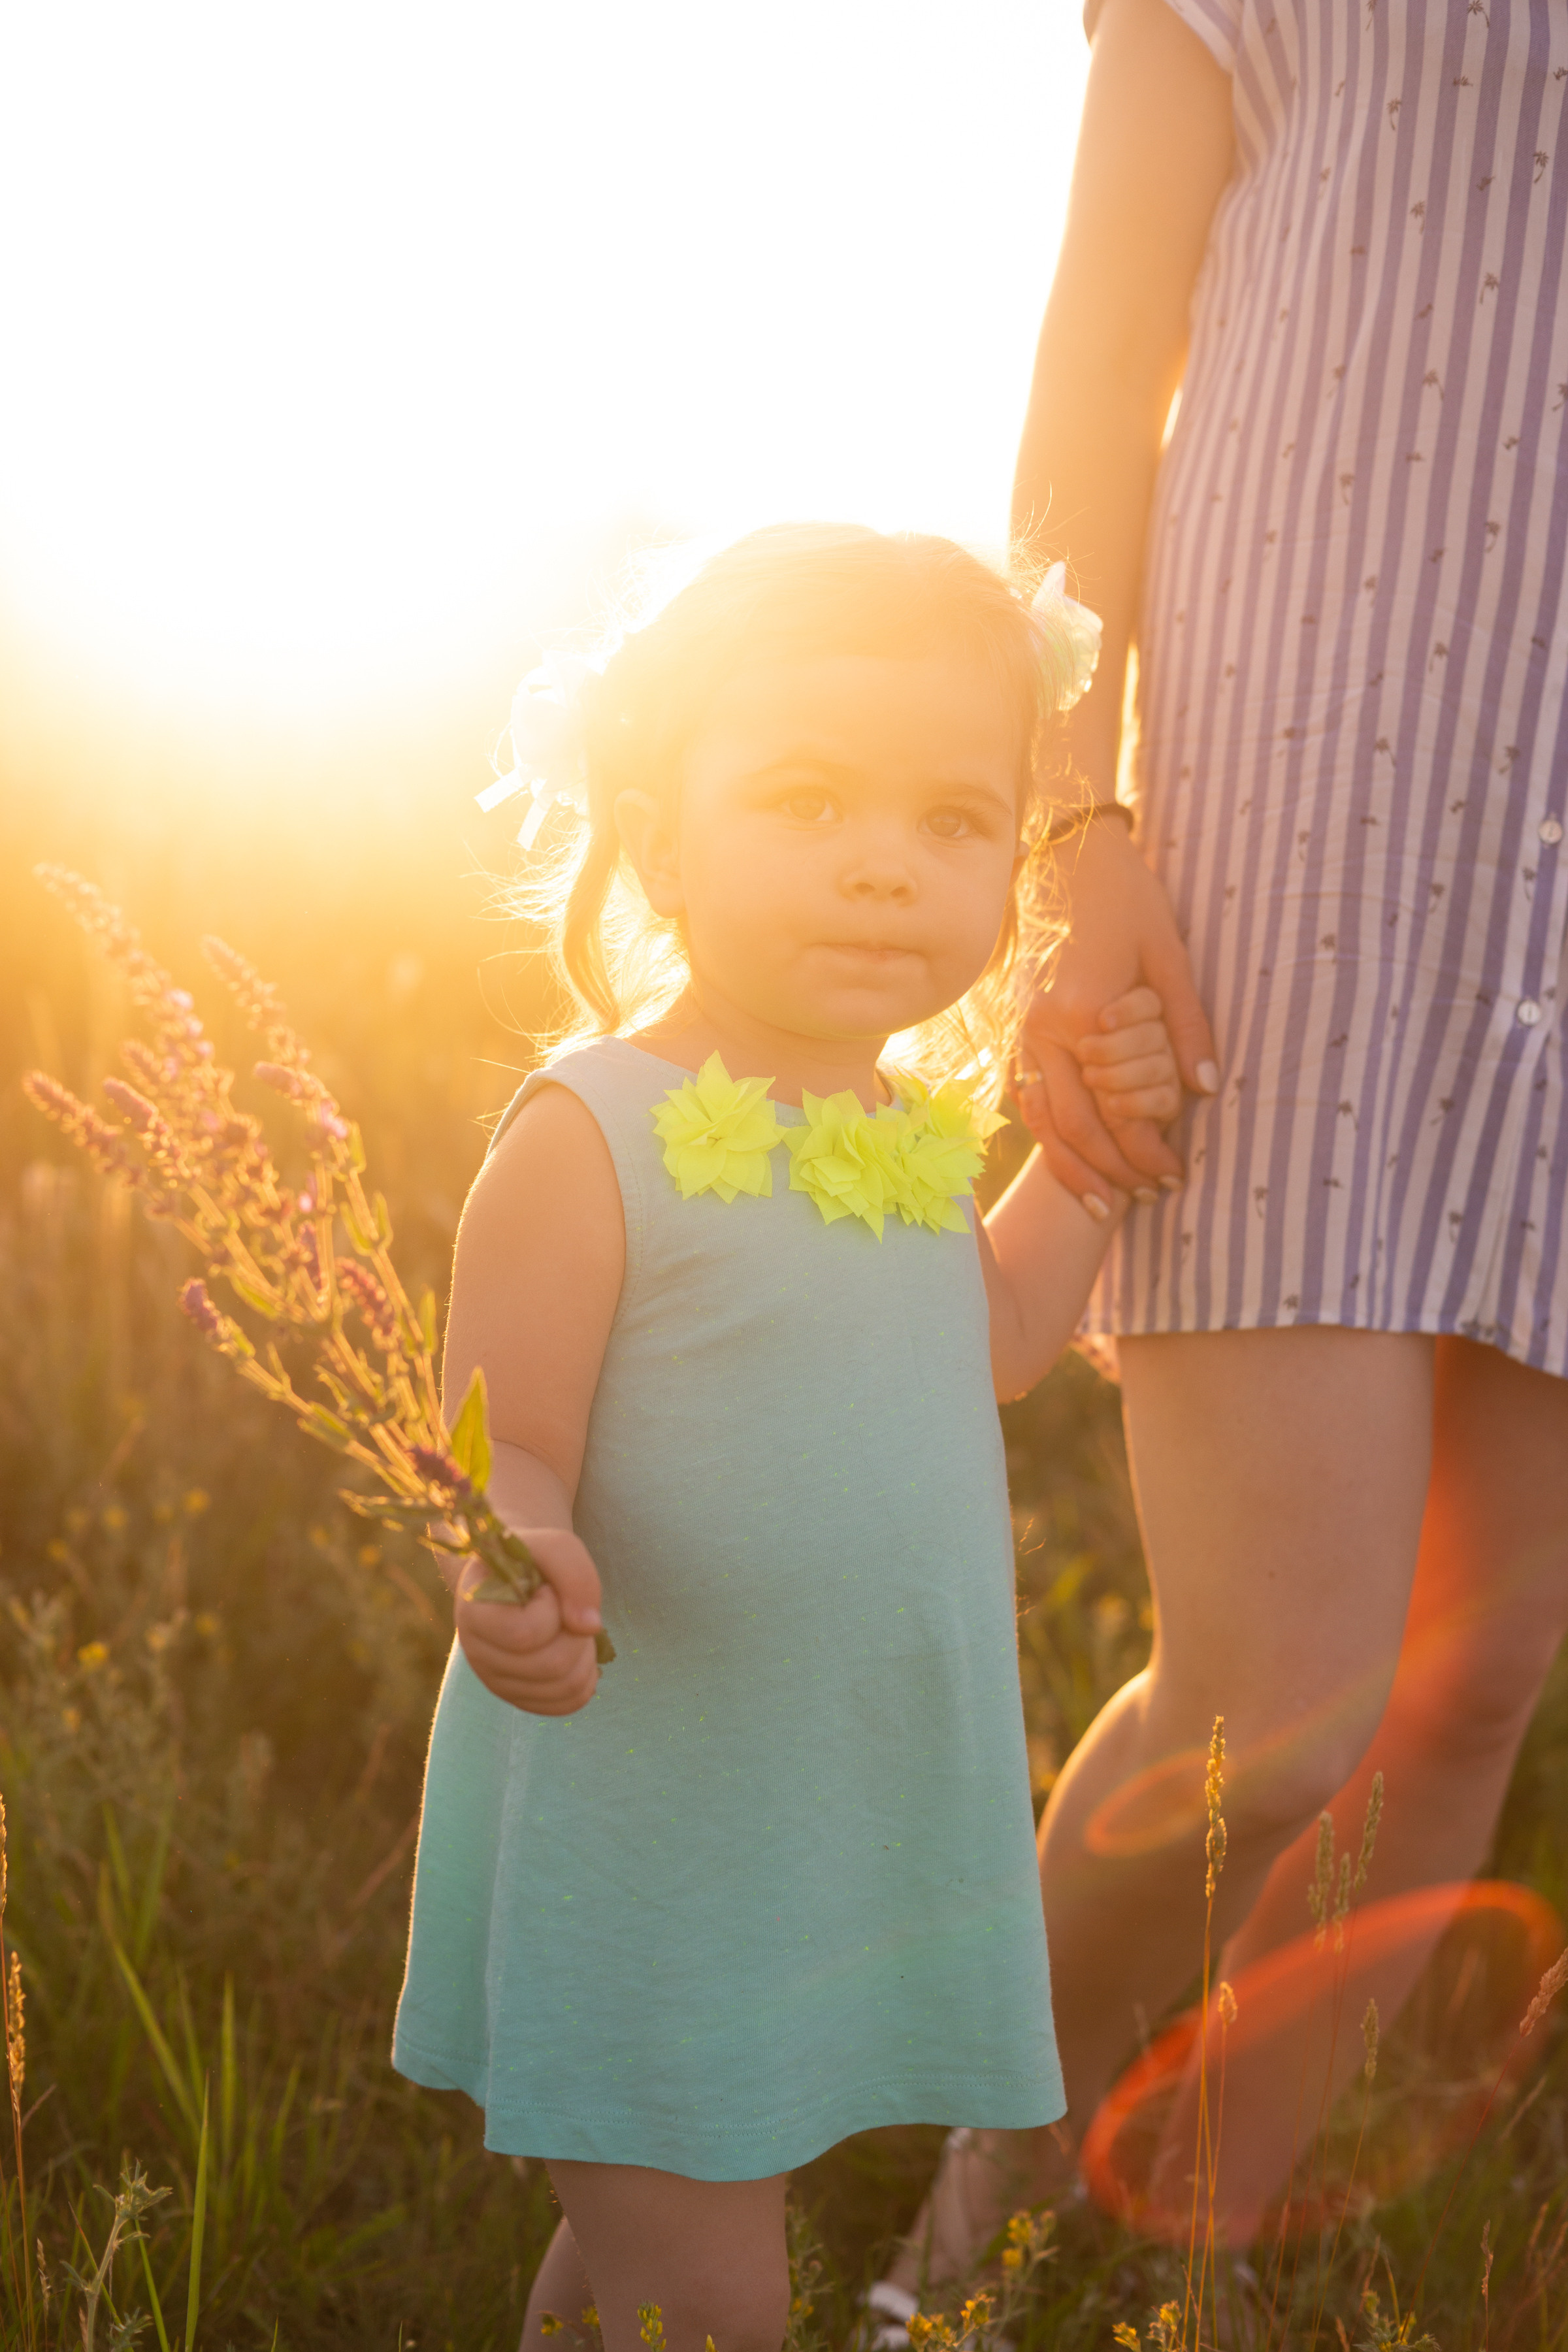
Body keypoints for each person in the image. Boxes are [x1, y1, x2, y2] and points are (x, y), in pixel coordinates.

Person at [895, 0, 1568, 2276]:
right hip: (1299, 860)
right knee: (1272, 1712)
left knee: (1473, 1685)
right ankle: (972, 2219)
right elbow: (1095, 373)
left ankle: (1192, 2264)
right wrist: (1087, 836)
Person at [389, 523, 1184, 2351]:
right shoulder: (591, 1135)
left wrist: (1080, 1162)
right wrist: (507, 1560)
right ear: (663, 836)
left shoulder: (899, 1130)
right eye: (809, 803)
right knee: (719, 2301)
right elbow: (490, 1447)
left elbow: (985, 1339)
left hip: (815, 1823)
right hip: (655, 1828)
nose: (884, 872)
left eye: (951, 822)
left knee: (648, 2272)